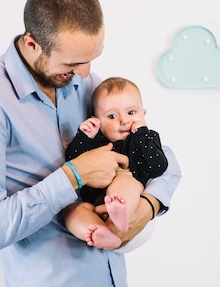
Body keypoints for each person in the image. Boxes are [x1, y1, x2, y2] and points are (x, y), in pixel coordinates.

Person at [0, 0, 181, 287]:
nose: (85, 73)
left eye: (92, 58)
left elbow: (165, 158)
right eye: (73, 63)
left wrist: (149, 206)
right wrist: (73, 176)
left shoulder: (86, 83)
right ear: (33, 44)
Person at [62, 77, 168, 250]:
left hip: (129, 195)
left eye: (132, 113)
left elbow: (158, 167)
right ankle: (100, 233)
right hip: (95, 202)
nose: (124, 121)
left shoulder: (146, 138)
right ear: (97, 120)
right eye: (112, 116)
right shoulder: (97, 142)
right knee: (73, 211)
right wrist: (85, 136)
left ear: (143, 114)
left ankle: (120, 212)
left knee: (124, 181)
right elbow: (73, 160)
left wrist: (141, 134)